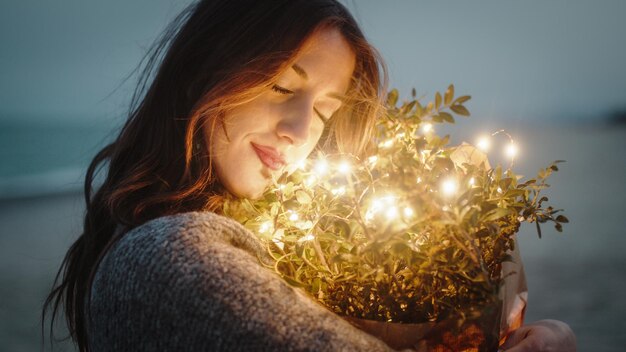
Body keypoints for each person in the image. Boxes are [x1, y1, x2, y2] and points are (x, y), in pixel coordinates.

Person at [43, 1, 576, 351]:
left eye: (324, 111)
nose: (300, 129)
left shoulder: (284, 245)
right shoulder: (168, 257)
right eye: (280, 87)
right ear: (202, 73)